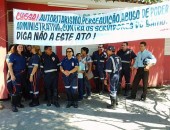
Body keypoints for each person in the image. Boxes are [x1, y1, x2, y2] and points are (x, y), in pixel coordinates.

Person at [8, 44, 26, 112]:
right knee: (15, 90)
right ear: (16, 48)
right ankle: (13, 106)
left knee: (20, 90)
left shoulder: (23, 55)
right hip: (16, 74)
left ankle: (18, 103)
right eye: (19, 47)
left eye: (21, 47)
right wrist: (12, 75)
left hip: (23, 75)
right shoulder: (13, 55)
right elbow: (10, 66)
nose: (20, 48)